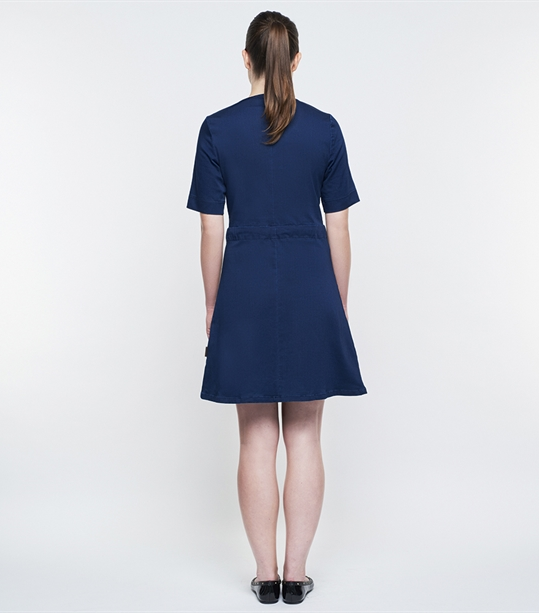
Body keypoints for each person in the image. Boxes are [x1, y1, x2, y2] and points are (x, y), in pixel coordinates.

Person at [186, 10, 367, 605]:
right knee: (307, 437)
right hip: (312, 285)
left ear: (246, 59)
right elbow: (339, 228)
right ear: (295, 60)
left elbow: (211, 230)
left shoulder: (217, 129)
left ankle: (264, 577)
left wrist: (213, 303)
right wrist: (337, 304)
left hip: (244, 290)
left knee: (255, 438)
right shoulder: (325, 129)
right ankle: (296, 574)